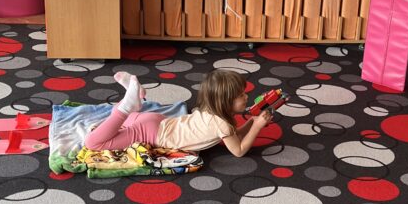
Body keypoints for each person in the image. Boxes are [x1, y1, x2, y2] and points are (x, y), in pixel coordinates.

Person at [83, 68, 273, 158]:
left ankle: (131, 100)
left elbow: (234, 135)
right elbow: (239, 150)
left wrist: (251, 123)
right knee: (93, 143)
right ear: (224, 101)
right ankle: (127, 105)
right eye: (241, 95)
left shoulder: (214, 112)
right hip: (153, 132)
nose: (246, 97)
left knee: (115, 126)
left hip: (157, 122)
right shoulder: (222, 123)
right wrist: (256, 127)